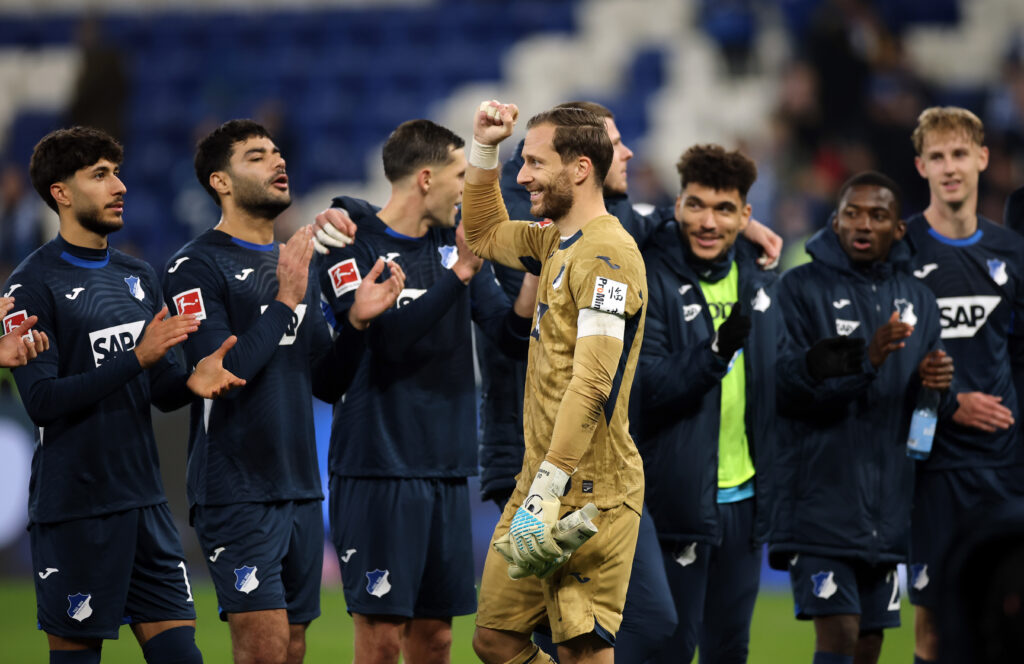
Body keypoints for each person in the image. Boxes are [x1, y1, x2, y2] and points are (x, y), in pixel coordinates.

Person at [164, 119, 403, 664]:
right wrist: (285, 300)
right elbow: (224, 377)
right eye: (256, 156)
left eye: (277, 152)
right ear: (220, 181)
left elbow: (327, 382)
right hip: (235, 491)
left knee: (292, 649)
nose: (278, 161)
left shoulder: (293, 262)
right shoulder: (195, 266)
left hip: (300, 489)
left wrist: (357, 325)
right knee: (264, 649)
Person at [6, 126, 245, 664]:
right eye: (100, 175)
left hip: (146, 506)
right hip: (76, 511)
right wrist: (135, 357)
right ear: (61, 193)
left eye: (116, 172)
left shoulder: (137, 275)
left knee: (183, 657)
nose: (120, 186)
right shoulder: (31, 285)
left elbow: (160, 391)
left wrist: (192, 382)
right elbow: (41, 400)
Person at [315, 118, 532, 664]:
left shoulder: (453, 246)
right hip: (377, 468)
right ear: (427, 178)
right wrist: (458, 276)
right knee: (382, 639)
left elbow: (508, 335)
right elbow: (384, 341)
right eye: (461, 176)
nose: (467, 190)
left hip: (446, 467)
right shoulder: (349, 243)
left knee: (436, 639)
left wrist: (534, 272)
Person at [483, 100, 676, 661]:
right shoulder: (554, 242)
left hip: (592, 489)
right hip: (540, 479)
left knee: (581, 651)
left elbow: (592, 383)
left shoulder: (607, 255)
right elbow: (484, 231)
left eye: (535, 163)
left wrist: (549, 487)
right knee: (494, 639)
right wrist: (484, 149)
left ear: (580, 169)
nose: (523, 176)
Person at [771, 171, 955, 664]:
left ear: (899, 228)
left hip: (888, 510)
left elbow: (926, 414)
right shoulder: (799, 289)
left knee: (870, 644)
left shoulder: (920, 300)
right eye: (852, 213)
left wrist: (937, 388)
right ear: (835, 221)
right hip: (819, 505)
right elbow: (785, 386)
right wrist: (866, 360)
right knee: (840, 634)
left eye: (878, 215)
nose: (864, 224)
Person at [635, 144, 777, 664]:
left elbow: (779, 377)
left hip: (745, 500)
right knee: (669, 649)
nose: (708, 222)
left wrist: (828, 366)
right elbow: (648, 385)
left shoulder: (760, 278)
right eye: (695, 205)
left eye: (724, 209)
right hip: (675, 499)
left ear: (745, 215)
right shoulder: (651, 274)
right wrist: (715, 353)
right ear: (677, 206)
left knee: (730, 650)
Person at [903, 106, 1024, 664]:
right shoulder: (900, 249)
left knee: (1005, 610)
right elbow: (885, 363)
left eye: (959, 154)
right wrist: (951, 405)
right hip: (933, 470)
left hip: (1004, 467)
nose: (950, 167)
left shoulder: (1012, 252)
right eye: (937, 156)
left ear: (982, 158)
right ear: (921, 166)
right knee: (932, 628)